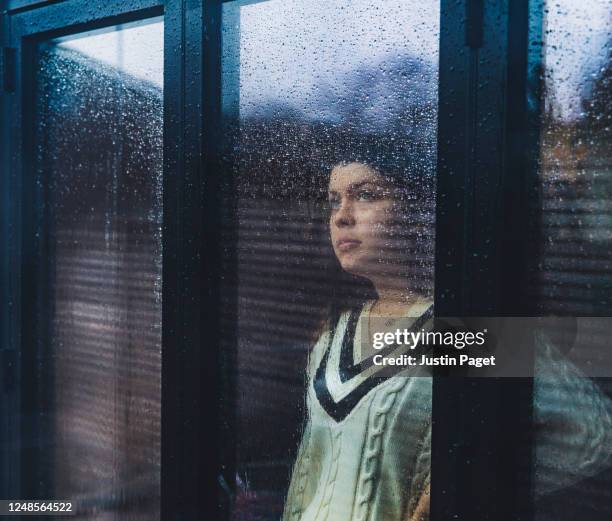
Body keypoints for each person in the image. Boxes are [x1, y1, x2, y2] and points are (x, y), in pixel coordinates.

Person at [283, 159, 435, 521]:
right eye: (334, 201)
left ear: (415, 211)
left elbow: (588, 434)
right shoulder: (332, 335)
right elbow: (310, 473)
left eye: (365, 195)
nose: (341, 217)